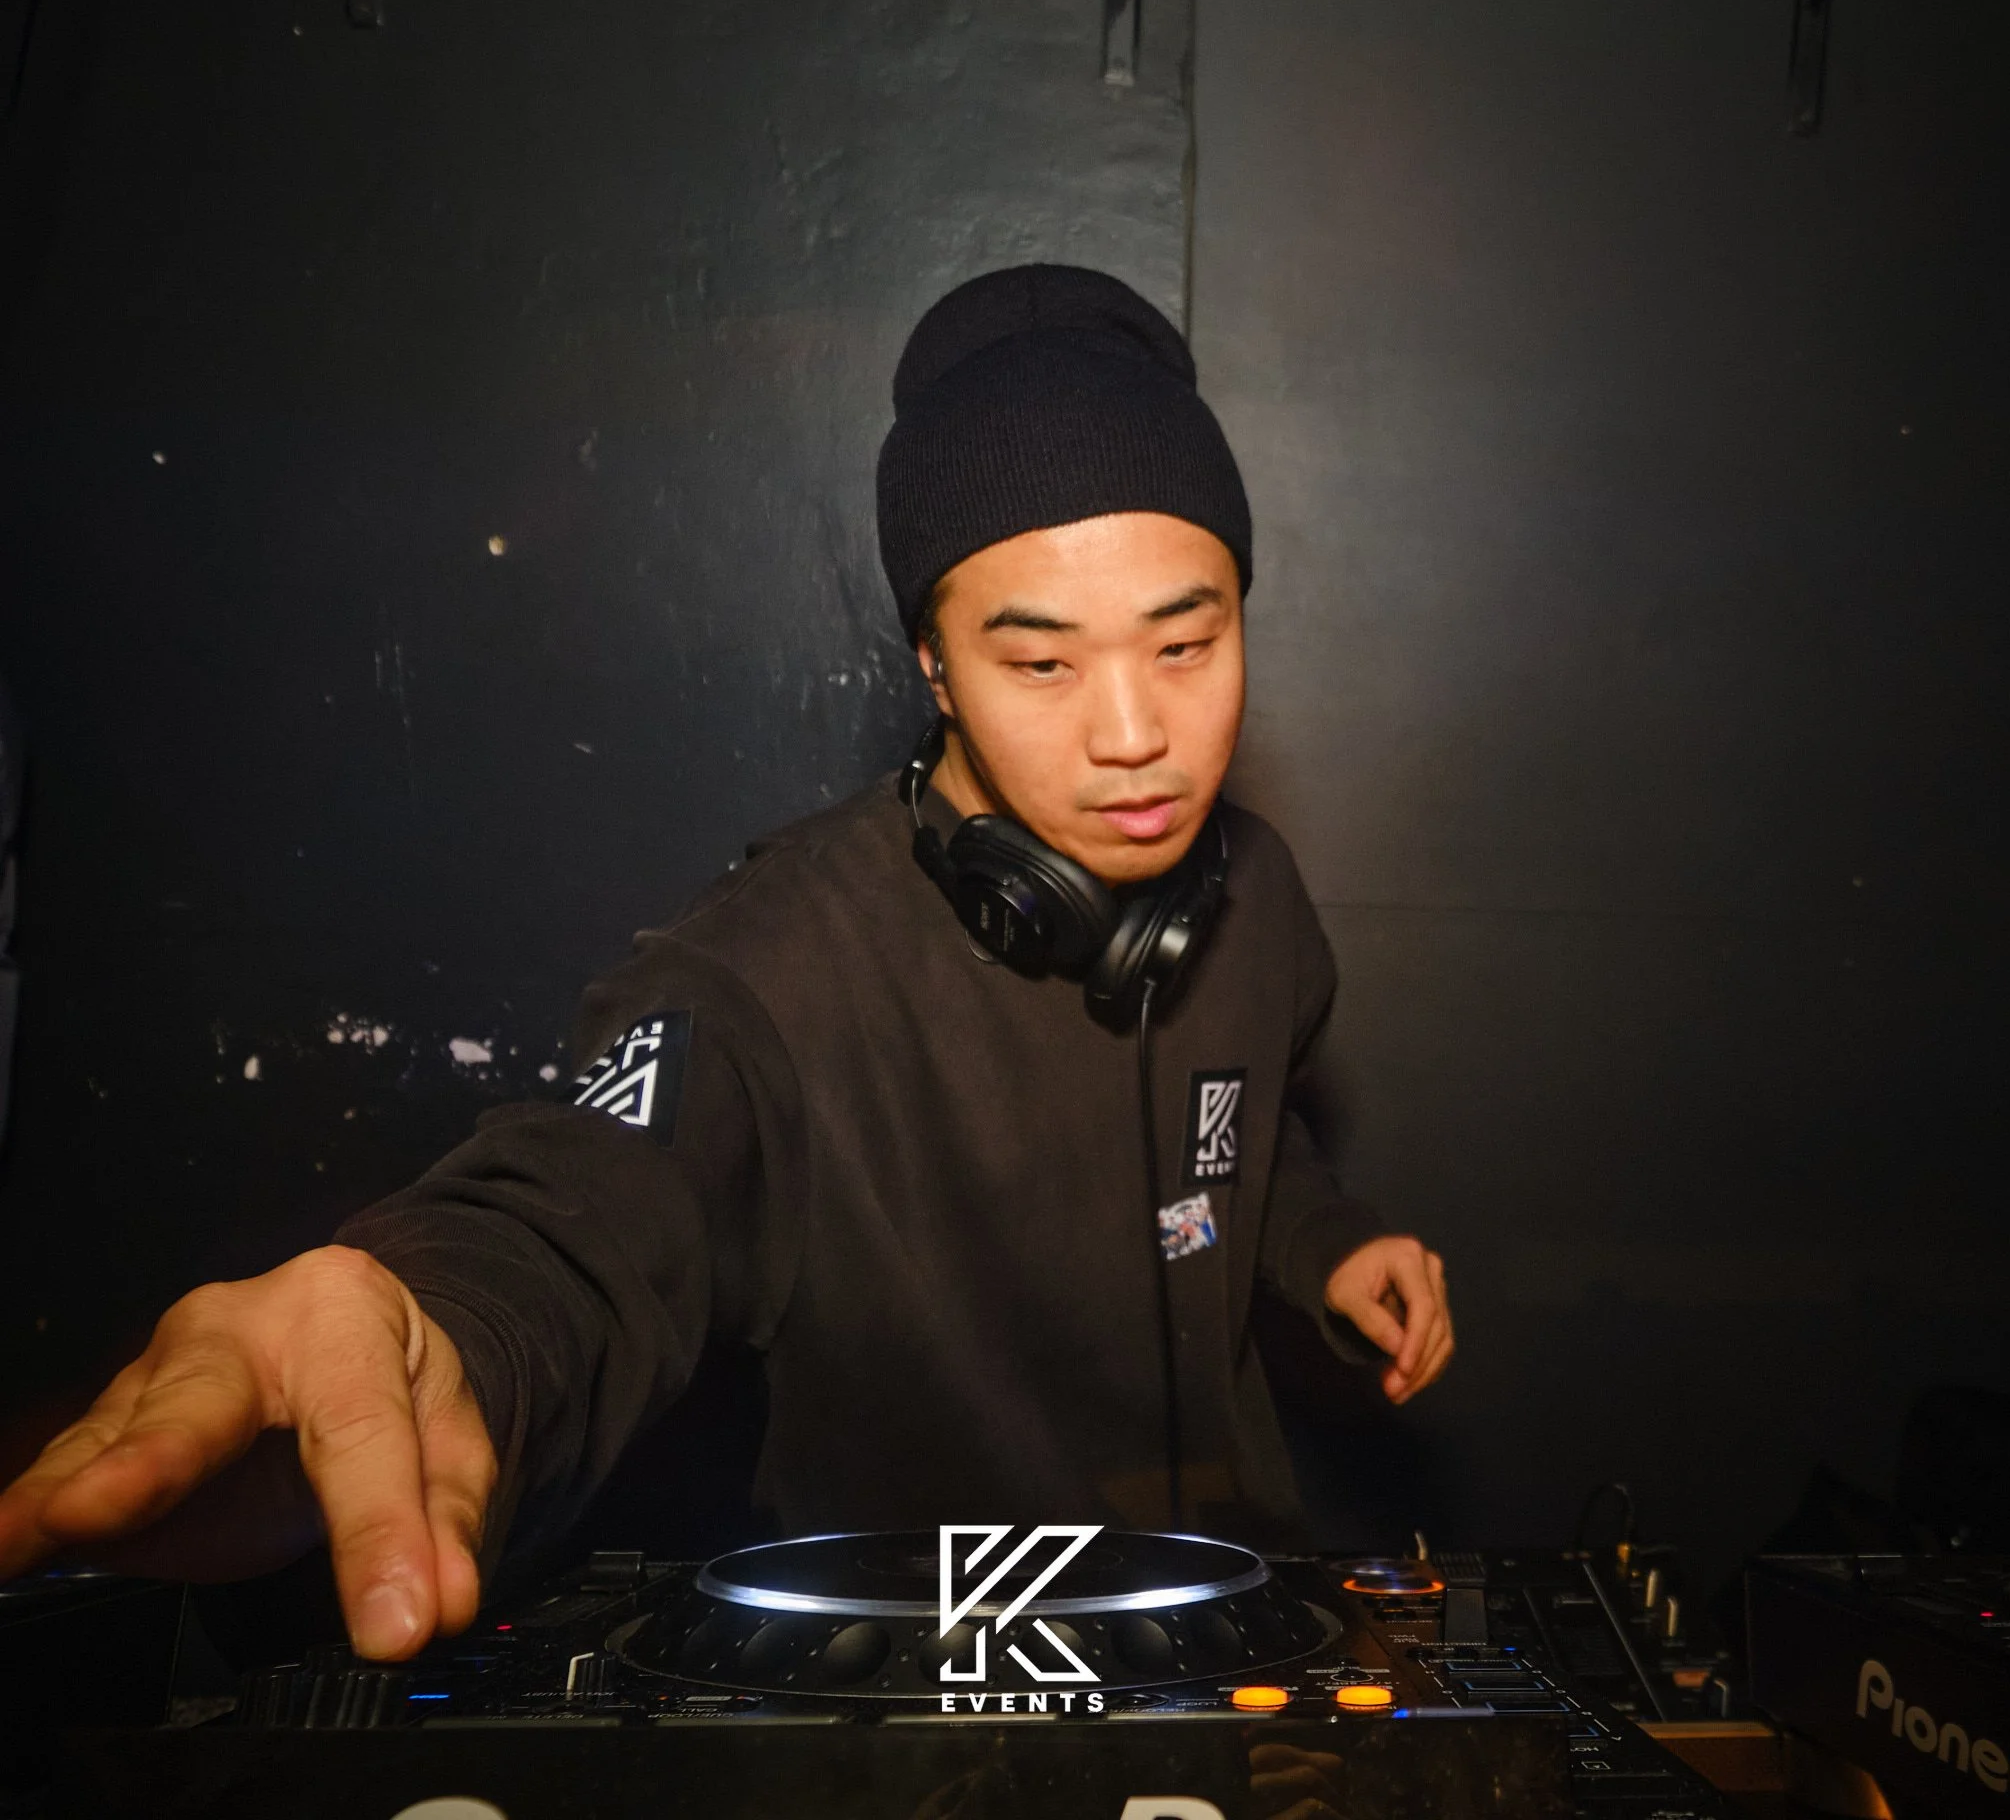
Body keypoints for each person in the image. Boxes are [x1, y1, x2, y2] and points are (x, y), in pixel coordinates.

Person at [0, 266, 1453, 1664]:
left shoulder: (1253, 894)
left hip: (1233, 1625)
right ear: (936, 665)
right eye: (1043, 663)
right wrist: (446, 1328)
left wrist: (1321, 1243)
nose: (1135, 736)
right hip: (908, 1685)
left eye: (1186, 645)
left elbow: (1236, 1132)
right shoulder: (767, 970)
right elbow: (584, 1213)